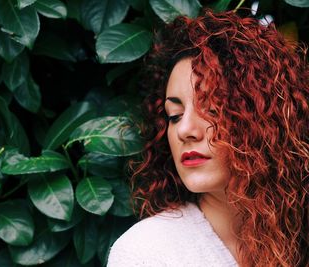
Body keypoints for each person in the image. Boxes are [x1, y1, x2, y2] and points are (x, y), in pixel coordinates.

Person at [107, 10, 309, 267]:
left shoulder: (296, 240)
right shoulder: (146, 252)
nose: (185, 130)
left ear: (265, 120)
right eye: (175, 115)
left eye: (212, 108)